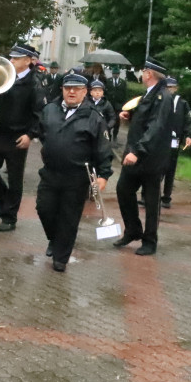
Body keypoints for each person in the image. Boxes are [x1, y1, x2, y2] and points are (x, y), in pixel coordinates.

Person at [34, 74, 113, 272]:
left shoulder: (94, 116)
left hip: (77, 177)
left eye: (76, 89)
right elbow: (43, 133)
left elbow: (103, 148)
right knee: (44, 209)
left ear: (84, 92)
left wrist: (103, 175)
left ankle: (61, 257)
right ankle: (55, 239)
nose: (71, 92)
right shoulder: (50, 110)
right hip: (50, 173)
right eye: (68, 88)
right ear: (62, 89)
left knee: (69, 217)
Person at [113, 57, 172, 256]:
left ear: (149, 74)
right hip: (135, 155)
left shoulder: (163, 96)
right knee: (123, 190)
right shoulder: (149, 94)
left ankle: (150, 240)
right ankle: (133, 230)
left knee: (152, 200)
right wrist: (130, 116)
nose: (141, 74)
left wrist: (137, 151)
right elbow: (145, 120)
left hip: (150, 158)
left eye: (143, 70)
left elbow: (155, 128)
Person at [0, 43, 43, 232]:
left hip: (19, 136)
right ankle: (3, 201)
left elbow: (40, 113)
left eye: (16, 58)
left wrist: (30, 135)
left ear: (27, 61)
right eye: (12, 57)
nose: (11, 61)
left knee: (15, 178)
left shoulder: (35, 83)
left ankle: (10, 218)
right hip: (0, 132)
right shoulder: (7, 76)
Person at [161, 76, 191, 209]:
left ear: (176, 88)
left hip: (175, 139)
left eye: (172, 87)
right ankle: (148, 195)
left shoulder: (182, 103)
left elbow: (189, 120)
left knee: (170, 166)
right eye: (167, 87)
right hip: (160, 138)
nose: (170, 90)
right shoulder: (160, 100)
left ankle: (167, 196)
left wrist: (189, 135)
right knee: (156, 166)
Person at [105, 68, 128, 143]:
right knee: (108, 120)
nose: (115, 75)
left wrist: (124, 106)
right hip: (110, 105)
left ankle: (115, 135)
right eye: (114, 74)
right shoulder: (108, 81)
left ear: (118, 74)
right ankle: (109, 135)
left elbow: (125, 94)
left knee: (117, 122)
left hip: (119, 105)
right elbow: (105, 92)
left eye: (117, 74)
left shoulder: (123, 82)